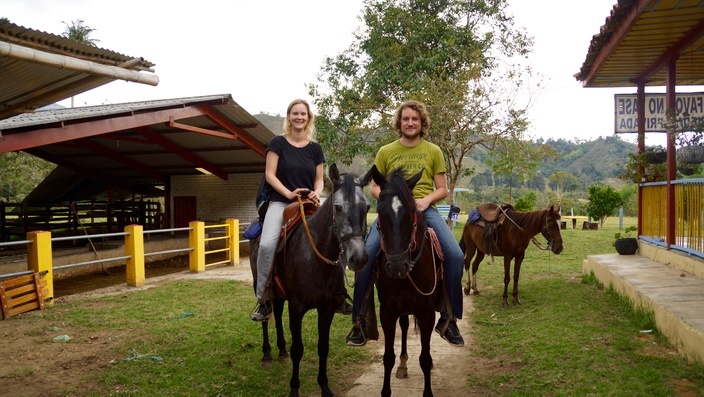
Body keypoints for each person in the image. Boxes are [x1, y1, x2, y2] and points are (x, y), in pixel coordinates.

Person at [346, 99, 465, 346]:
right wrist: (389, 198)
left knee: (455, 255)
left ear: (422, 123)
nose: (410, 123)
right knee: (366, 255)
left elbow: (442, 189)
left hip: (424, 210)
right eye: (406, 119)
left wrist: (425, 200)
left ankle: (448, 319)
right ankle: (359, 322)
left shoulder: (434, 151)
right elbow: (375, 186)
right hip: (391, 213)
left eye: (415, 119)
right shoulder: (385, 151)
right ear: (399, 123)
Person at [250, 99, 325, 322]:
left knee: (336, 236)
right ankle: (264, 298)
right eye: (295, 113)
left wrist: (316, 193)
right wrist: (289, 193)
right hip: (281, 203)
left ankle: (339, 293)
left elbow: (319, 180)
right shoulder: (278, 143)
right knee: (266, 244)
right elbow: (270, 175)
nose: (299, 117)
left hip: (309, 204)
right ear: (289, 117)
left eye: (303, 113)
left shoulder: (315, 148)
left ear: (308, 117)